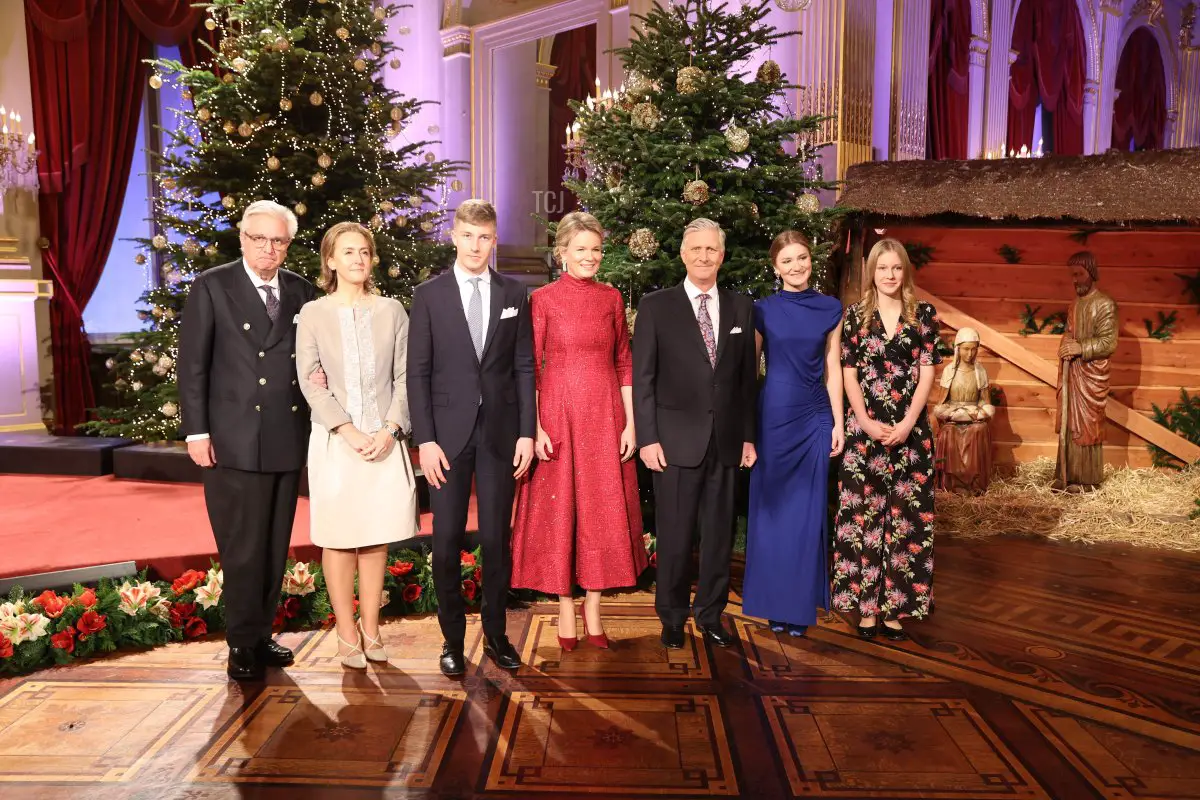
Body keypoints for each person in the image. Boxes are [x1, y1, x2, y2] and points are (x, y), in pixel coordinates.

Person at [178, 200, 318, 681]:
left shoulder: (301, 291)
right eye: (259, 239)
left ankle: (261, 634)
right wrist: (197, 431)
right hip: (232, 440)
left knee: (275, 544)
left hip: (285, 436)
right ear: (242, 239)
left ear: (288, 245)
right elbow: (192, 366)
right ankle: (240, 640)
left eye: (278, 241)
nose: (268, 248)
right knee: (241, 546)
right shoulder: (213, 286)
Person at [407, 199, 535, 677]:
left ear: (494, 240)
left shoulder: (514, 293)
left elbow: (523, 366)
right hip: (446, 437)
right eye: (468, 236)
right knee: (445, 541)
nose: (476, 245)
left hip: (501, 434)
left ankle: (498, 635)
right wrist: (427, 440)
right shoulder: (430, 295)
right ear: (454, 237)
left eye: (485, 237)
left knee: (497, 538)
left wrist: (527, 431)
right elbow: (417, 373)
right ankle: (452, 639)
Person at [511, 212, 647, 651]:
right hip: (559, 415)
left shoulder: (611, 298)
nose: (590, 257)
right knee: (563, 510)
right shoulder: (544, 300)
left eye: (596, 250)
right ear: (563, 253)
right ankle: (565, 608)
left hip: (605, 414)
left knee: (600, 510)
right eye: (581, 249)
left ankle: (594, 606)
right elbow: (530, 366)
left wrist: (630, 423)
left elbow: (624, 362)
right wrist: (534, 426)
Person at [296, 222, 419, 669]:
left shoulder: (392, 311)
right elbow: (311, 381)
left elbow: (406, 377)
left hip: (385, 438)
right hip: (336, 442)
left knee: (375, 537)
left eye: (364, 252)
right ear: (330, 260)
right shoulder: (314, 313)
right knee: (339, 537)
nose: (358, 260)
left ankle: (371, 628)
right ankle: (345, 632)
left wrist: (390, 429)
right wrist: (347, 430)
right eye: (348, 252)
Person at [632, 217, 757, 651]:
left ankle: (710, 615)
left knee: (719, 536)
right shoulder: (656, 306)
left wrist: (747, 437)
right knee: (676, 535)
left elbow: (744, 382)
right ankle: (671, 616)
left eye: (712, 250)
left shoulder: (742, 307)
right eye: (696, 249)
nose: (704, 256)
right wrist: (647, 438)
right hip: (672, 443)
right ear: (684, 255)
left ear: (721, 256)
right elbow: (642, 379)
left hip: (724, 442)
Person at [831, 237, 940, 643]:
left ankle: (894, 608)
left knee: (905, 519)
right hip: (866, 433)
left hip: (910, 434)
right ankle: (865, 607)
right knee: (864, 516)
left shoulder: (924, 314)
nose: (890, 276)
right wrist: (863, 419)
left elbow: (927, 371)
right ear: (871, 273)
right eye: (882, 269)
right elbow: (848, 373)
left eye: (896, 268)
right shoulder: (855, 315)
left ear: (905, 272)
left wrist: (910, 422)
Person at [742, 231, 843, 638]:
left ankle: (799, 609)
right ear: (775, 267)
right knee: (772, 514)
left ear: (809, 260)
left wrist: (837, 422)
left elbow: (833, 368)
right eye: (787, 260)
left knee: (807, 514)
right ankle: (772, 604)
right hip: (773, 419)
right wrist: (747, 432)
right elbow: (750, 373)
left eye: (801, 257)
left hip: (815, 418)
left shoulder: (831, 308)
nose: (796, 266)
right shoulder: (762, 311)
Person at [1054, 251, 1118, 493]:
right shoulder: (1074, 305)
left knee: (1087, 426)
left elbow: (1109, 342)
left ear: (1091, 273)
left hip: (1091, 375)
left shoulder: (1105, 304)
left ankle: (1087, 480)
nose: (1075, 279)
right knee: (1070, 423)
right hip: (1073, 372)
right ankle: (1066, 475)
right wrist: (1066, 347)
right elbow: (1069, 333)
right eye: (1073, 275)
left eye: (1079, 274)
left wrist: (1081, 347)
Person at [933, 327, 995, 494]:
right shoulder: (949, 371)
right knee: (948, 432)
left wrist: (979, 413)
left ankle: (974, 484)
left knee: (979, 429)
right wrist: (949, 413)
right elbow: (941, 403)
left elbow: (985, 402)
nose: (970, 354)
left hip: (974, 416)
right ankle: (952, 484)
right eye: (966, 349)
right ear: (958, 348)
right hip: (953, 417)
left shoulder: (980, 371)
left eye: (974, 349)